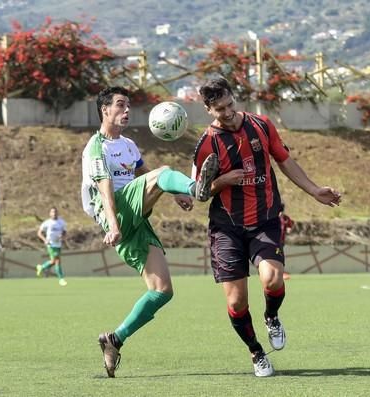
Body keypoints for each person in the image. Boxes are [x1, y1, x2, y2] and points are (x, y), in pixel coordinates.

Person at [192, 77, 341, 377]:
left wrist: (313, 190)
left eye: (230, 104)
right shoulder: (206, 144)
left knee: (272, 279)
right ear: (209, 109)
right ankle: (256, 352)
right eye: (220, 109)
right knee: (236, 301)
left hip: (265, 219)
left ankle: (271, 316)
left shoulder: (261, 125)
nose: (228, 112)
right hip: (226, 227)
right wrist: (223, 180)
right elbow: (199, 192)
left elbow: (285, 160)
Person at [81, 86, 219, 378]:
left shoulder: (129, 146)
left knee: (162, 291)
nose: (126, 110)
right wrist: (114, 225)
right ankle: (198, 188)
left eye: (128, 105)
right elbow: (105, 187)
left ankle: (114, 339)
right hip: (116, 212)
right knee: (165, 170)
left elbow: (145, 175)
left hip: (136, 219)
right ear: (105, 110)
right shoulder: (96, 146)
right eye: (120, 105)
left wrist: (172, 192)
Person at [36, 206, 68, 286]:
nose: (54, 213)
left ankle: (42, 267)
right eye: (52, 212)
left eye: (55, 212)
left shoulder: (61, 222)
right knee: (57, 261)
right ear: (50, 214)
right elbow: (39, 233)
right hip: (51, 244)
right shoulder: (47, 222)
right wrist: (45, 240)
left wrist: (62, 237)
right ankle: (61, 279)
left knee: (54, 261)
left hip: (58, 244)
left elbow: (64, 232)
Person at [279, 202, 294, 281]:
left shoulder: (285, 218)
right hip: (274, 241)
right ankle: (280, 273)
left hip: (281, 242)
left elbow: (290, 226)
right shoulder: (273, 218)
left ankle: (280, 272)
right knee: (278, 255)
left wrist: (289, 229)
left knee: (279, 255)